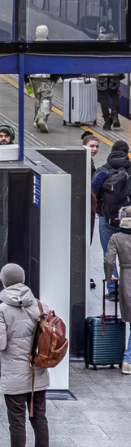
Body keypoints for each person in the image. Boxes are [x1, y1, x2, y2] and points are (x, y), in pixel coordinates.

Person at [0, 263, 50, 447]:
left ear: (4, 281)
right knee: (39, 418)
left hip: (14, 375)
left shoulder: (2, 310)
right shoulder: (41, 306)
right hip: (38, 373)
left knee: (17, 421)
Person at [101, 212, 131, 374]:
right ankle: (128, 359)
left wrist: (108, 277)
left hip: (126, 279)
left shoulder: (116, 237)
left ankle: (128, 359)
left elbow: (109, 260)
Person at [93, 139, 131, 257]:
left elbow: (93, 195)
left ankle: (111, 276)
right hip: (128, 219)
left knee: (109, 255)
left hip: (107, 217)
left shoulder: (102, 171)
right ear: (127, 153)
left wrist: (100, 211)